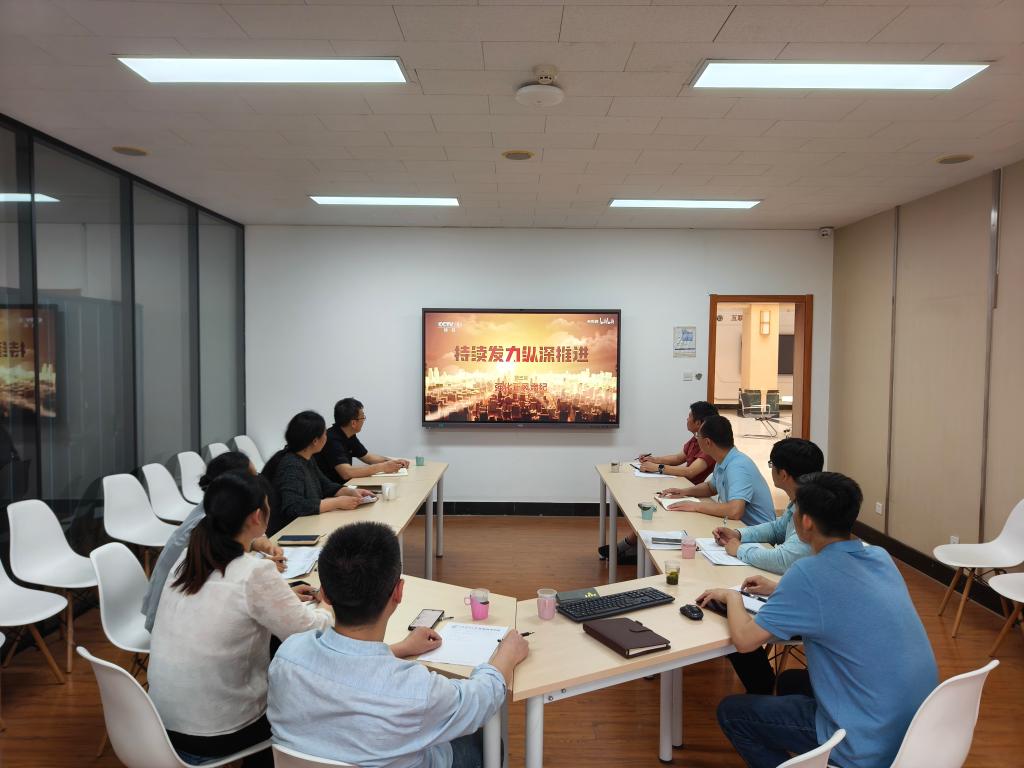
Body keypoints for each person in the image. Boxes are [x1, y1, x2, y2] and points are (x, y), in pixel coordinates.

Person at [696, 472, 938, 768]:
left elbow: (745, 642)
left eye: (794, 510)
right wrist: (778, 588)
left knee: (733, 713)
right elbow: (842, 594)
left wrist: (732, 597)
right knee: (790, 681)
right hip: (915, 730)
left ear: (807, 521)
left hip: (863, 743)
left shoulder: (807, 573)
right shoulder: (880, 557)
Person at [268, 521, 530, 768]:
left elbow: (348, 671)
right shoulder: (415, 690)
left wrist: (401, 648)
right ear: (398, 591)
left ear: (324, 594)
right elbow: (480, 700)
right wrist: (506, 656)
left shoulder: (287, 656)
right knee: (486, 743)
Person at [148, 473, 334, 767]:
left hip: (158, 724)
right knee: (302, 700)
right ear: (258, 516)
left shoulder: (188, 558)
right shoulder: (255, 573)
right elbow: (312, 632)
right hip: (215, 732)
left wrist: (283, 596)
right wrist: (325, 604)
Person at [141, 451, 288, 632]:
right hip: (173, 619)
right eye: (253, 478)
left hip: (187, 608)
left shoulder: (219, 508)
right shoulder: (205, 523)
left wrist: (263, 545)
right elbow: (222, 574)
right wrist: (262, 569)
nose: (258, 482)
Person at [600, 400, 720, 564]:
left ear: (699, 423)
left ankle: (625, 547)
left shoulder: (708, 445)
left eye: (689, 416)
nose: (686, 419)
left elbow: (690, 471)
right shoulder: (695, 439)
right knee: (649, 507)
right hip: (683, 488)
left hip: (693, 493)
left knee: (652, 512)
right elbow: (678, 458)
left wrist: (658, 467)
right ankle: (630, 548)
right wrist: (654, 460)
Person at [712, 437, 821, 574]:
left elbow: (783, 560)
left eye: (772, 464)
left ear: (783, 475)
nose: (771, 468)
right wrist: (738, 534)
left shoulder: (813, 508)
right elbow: (777, 529)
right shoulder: (800, 498)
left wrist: (740, 549)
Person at [262, 410, 374, 535]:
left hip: (306, 523)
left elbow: (325, 485)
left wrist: (350, 491)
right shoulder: (291, 464)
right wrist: (336, 502)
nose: (326, 437)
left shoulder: (307, 457)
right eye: (324, 433)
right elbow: (294, 507)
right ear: (315, 441)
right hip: (288, 532)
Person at [659, 415, 775, 526]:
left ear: (707, 442)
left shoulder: (737, 466)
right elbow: (711, 487)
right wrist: (684, 492)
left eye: (698, 435)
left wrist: (695, 506)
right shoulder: (723, 458)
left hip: (758, 534)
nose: (696, 438)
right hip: (737, 528)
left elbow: (735, 511)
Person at [317, 397, 409, 484]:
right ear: (353, 423)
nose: (364, 420)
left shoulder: (349, 435)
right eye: (363, 417)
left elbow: (368, 457)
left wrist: (394, 462)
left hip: (344, 486)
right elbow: (346, 473)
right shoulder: (332, 439)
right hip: (331, 490)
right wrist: (382, 467)